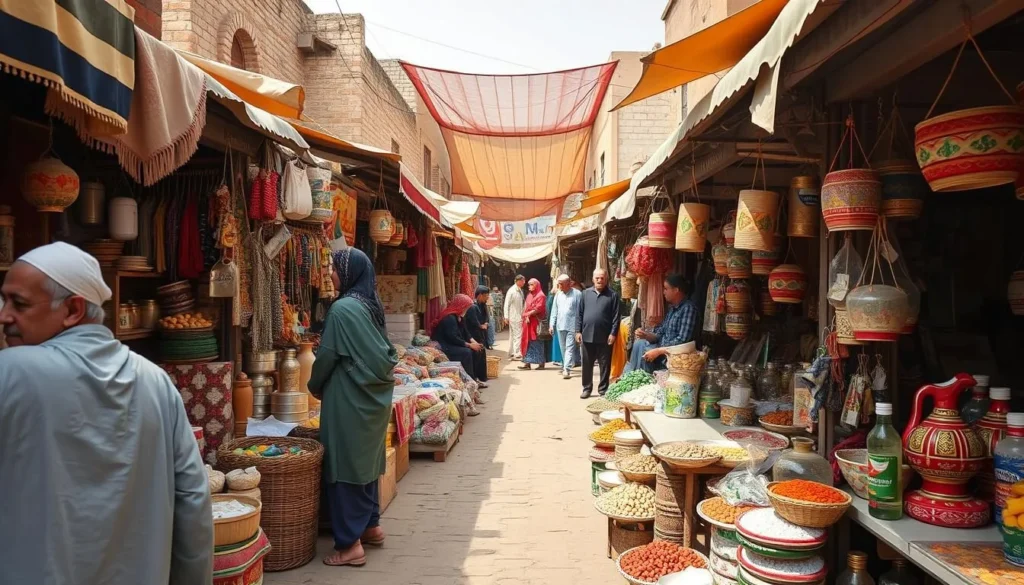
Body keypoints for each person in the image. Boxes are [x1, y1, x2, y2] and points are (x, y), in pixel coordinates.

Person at [0, 242, 213, 584]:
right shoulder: (155, 381)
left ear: (72, 309)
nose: (4, 315)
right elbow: (192, 503)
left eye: (19, 304)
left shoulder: (9, 374)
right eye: (4, 300)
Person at [309, 248, 399, 568]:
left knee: (344, 465)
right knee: (366, 463)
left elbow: (328, 356)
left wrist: (314, 386)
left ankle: (349, 545)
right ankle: (371, 526)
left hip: (347, 398)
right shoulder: (370, 305)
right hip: (373, 399)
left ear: (349, 273)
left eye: (335, 268)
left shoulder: (342, 310)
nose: (331, 273)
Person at [625, 274, 698, 374]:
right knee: (639, 343)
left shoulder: (688, 309)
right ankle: (631, 376)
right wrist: (646, 335)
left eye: (666, 289)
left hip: (674, 355)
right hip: (662, 349)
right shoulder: (672, 309)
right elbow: (660, 333)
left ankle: (639, 379)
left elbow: (683, 340)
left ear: (676, 290)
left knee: (645, 352)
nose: (663, 292)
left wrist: (659, 351)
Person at [576, 268, 621, 398]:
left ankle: (603, 390)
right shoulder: (585, 294)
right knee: (587, 364)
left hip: (605, 336)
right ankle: (587, 388)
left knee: (604, 364)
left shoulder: (612, 295)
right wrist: (577, 331)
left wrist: (613, 333)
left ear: (606, 279)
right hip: (587, 335)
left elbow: (616, 317)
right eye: (597, 278)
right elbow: (579, 314)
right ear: (593, 279)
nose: (599, 280)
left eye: (602, 278)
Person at [431, 294, 488, 387]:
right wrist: (469, 345)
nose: (467, 310)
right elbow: (452, 338)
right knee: (467, 352)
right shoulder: (449, 318)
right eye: (466, 307)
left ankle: (476, 378)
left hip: (455, 343)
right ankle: (469, 380)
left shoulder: (459, 317)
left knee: (480, 349)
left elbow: (466, 333)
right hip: (445, 345)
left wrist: (474, 343)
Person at [549, 274, 581, 380]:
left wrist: (579, 328)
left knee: (569, 348)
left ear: (568, 283)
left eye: (561, 284)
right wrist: (551, 325)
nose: (559, 286)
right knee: (563, 348)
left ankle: (566, 369)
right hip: (560, 325)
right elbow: (554, 310)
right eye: (558, 284)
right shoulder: (558, 294)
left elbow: (580, 311)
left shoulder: (577, 294)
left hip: (573, 326)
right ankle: (566, 365)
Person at [463, 286, 491, 389]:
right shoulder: (473, 306)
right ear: (479, 295)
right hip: (473, 334)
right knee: (476, 355)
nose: (487, 298)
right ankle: (475, 379)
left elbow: (487, 317)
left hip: (480, 333)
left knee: (480, 355)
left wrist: (486, 323)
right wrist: (480, 326)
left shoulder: (483, 305)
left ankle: (480, 378)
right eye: (485, 296)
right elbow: (473, 321)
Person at [518, 278, 547, 370]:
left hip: (535, 324)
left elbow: (538, 309)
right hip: (528, 323)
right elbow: (526, 307)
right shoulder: (529, 295)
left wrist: (528, 314)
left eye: (531, 284)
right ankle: (527, 363)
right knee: (527, 342)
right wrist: (526, 316)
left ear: (536, 285)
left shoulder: (541, 295)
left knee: (537, 342)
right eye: (529, 284)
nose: (529, 286)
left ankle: (541, 363)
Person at [503, 275, 526, 360]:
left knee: (514, 335)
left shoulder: (520, 290)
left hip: (518, 316)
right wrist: (506, 316)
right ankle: (517, 353)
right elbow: (506, 304)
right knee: (518, 335)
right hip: (514, 316)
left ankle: (512, 352)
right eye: (523, 281)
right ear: (518, 281)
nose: (524, 282)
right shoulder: (512, 291)